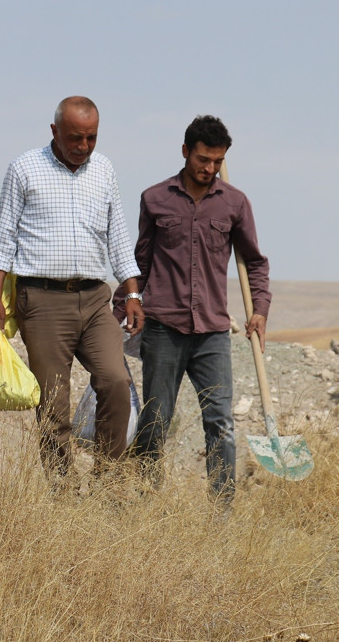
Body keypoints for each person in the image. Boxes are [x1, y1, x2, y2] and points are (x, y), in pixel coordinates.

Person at [0, 96, 145, 486]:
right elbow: (4, 238)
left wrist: (133, 293)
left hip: (94, 300)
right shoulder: (24, 169)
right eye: (75, 137)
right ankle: (63, 490)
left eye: (91, 138)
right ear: (54, 131)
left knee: (115, 381)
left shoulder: (104, 169)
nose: (84, 147)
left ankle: (108, 481)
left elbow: (119, 237)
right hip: (42, 301)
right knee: (53, 402)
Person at [123, 114, 270, 504]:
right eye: (203, 159)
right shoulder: (154, 199)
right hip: (162, 329)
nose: (209, 168)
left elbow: (254, 262)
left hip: (212, 333)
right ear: (185, 152)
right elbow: (138, 263)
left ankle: (221, 512)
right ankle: (143, 500)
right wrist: (128, 301)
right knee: (155, 421)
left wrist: (260, 309)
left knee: (220, 424)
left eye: (218, 161)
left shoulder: (235, 203)